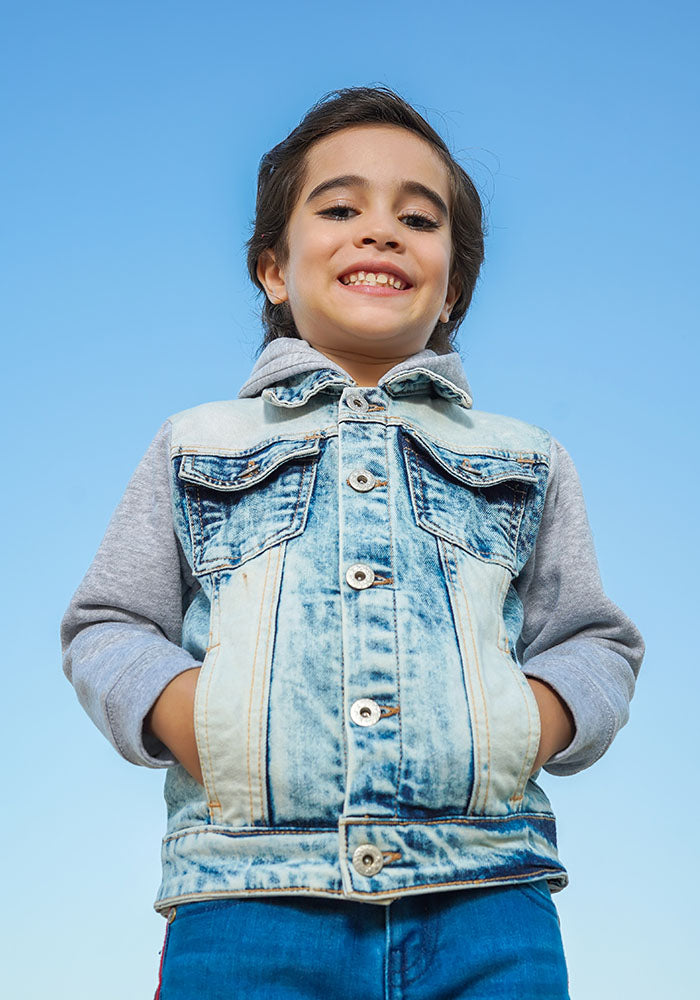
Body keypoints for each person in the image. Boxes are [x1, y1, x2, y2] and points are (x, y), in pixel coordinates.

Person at [61, 86, 644, 999]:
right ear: (274, 270)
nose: (380, 231)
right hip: (249, 894)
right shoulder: (197, 441)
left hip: (488, 892)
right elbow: (108, 624)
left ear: (452, 285)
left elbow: (594, 642)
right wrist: (194, 720)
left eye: (418, 217)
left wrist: (527, 728)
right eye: (339, 208)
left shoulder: (526, 456)